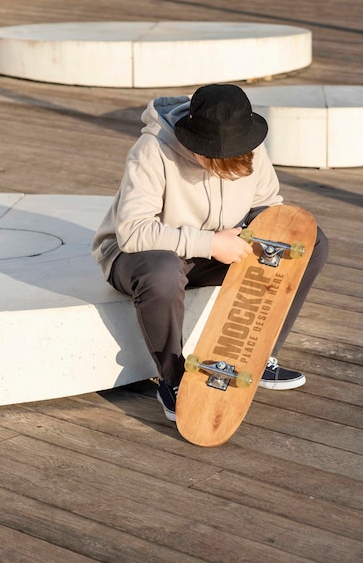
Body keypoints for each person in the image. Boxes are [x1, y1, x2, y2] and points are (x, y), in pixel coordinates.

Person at [92, 84, 328, 422]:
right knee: (162, 270)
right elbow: (132, 232)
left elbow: (267, 204)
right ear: (194, 143)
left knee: (311, 244)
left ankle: (259, 358)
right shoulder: (152, 151)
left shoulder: (250, 145)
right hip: (142, 256)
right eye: (216, 157)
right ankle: (173, 378)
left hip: (217, 249)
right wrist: (211, 243)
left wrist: (268, 233)